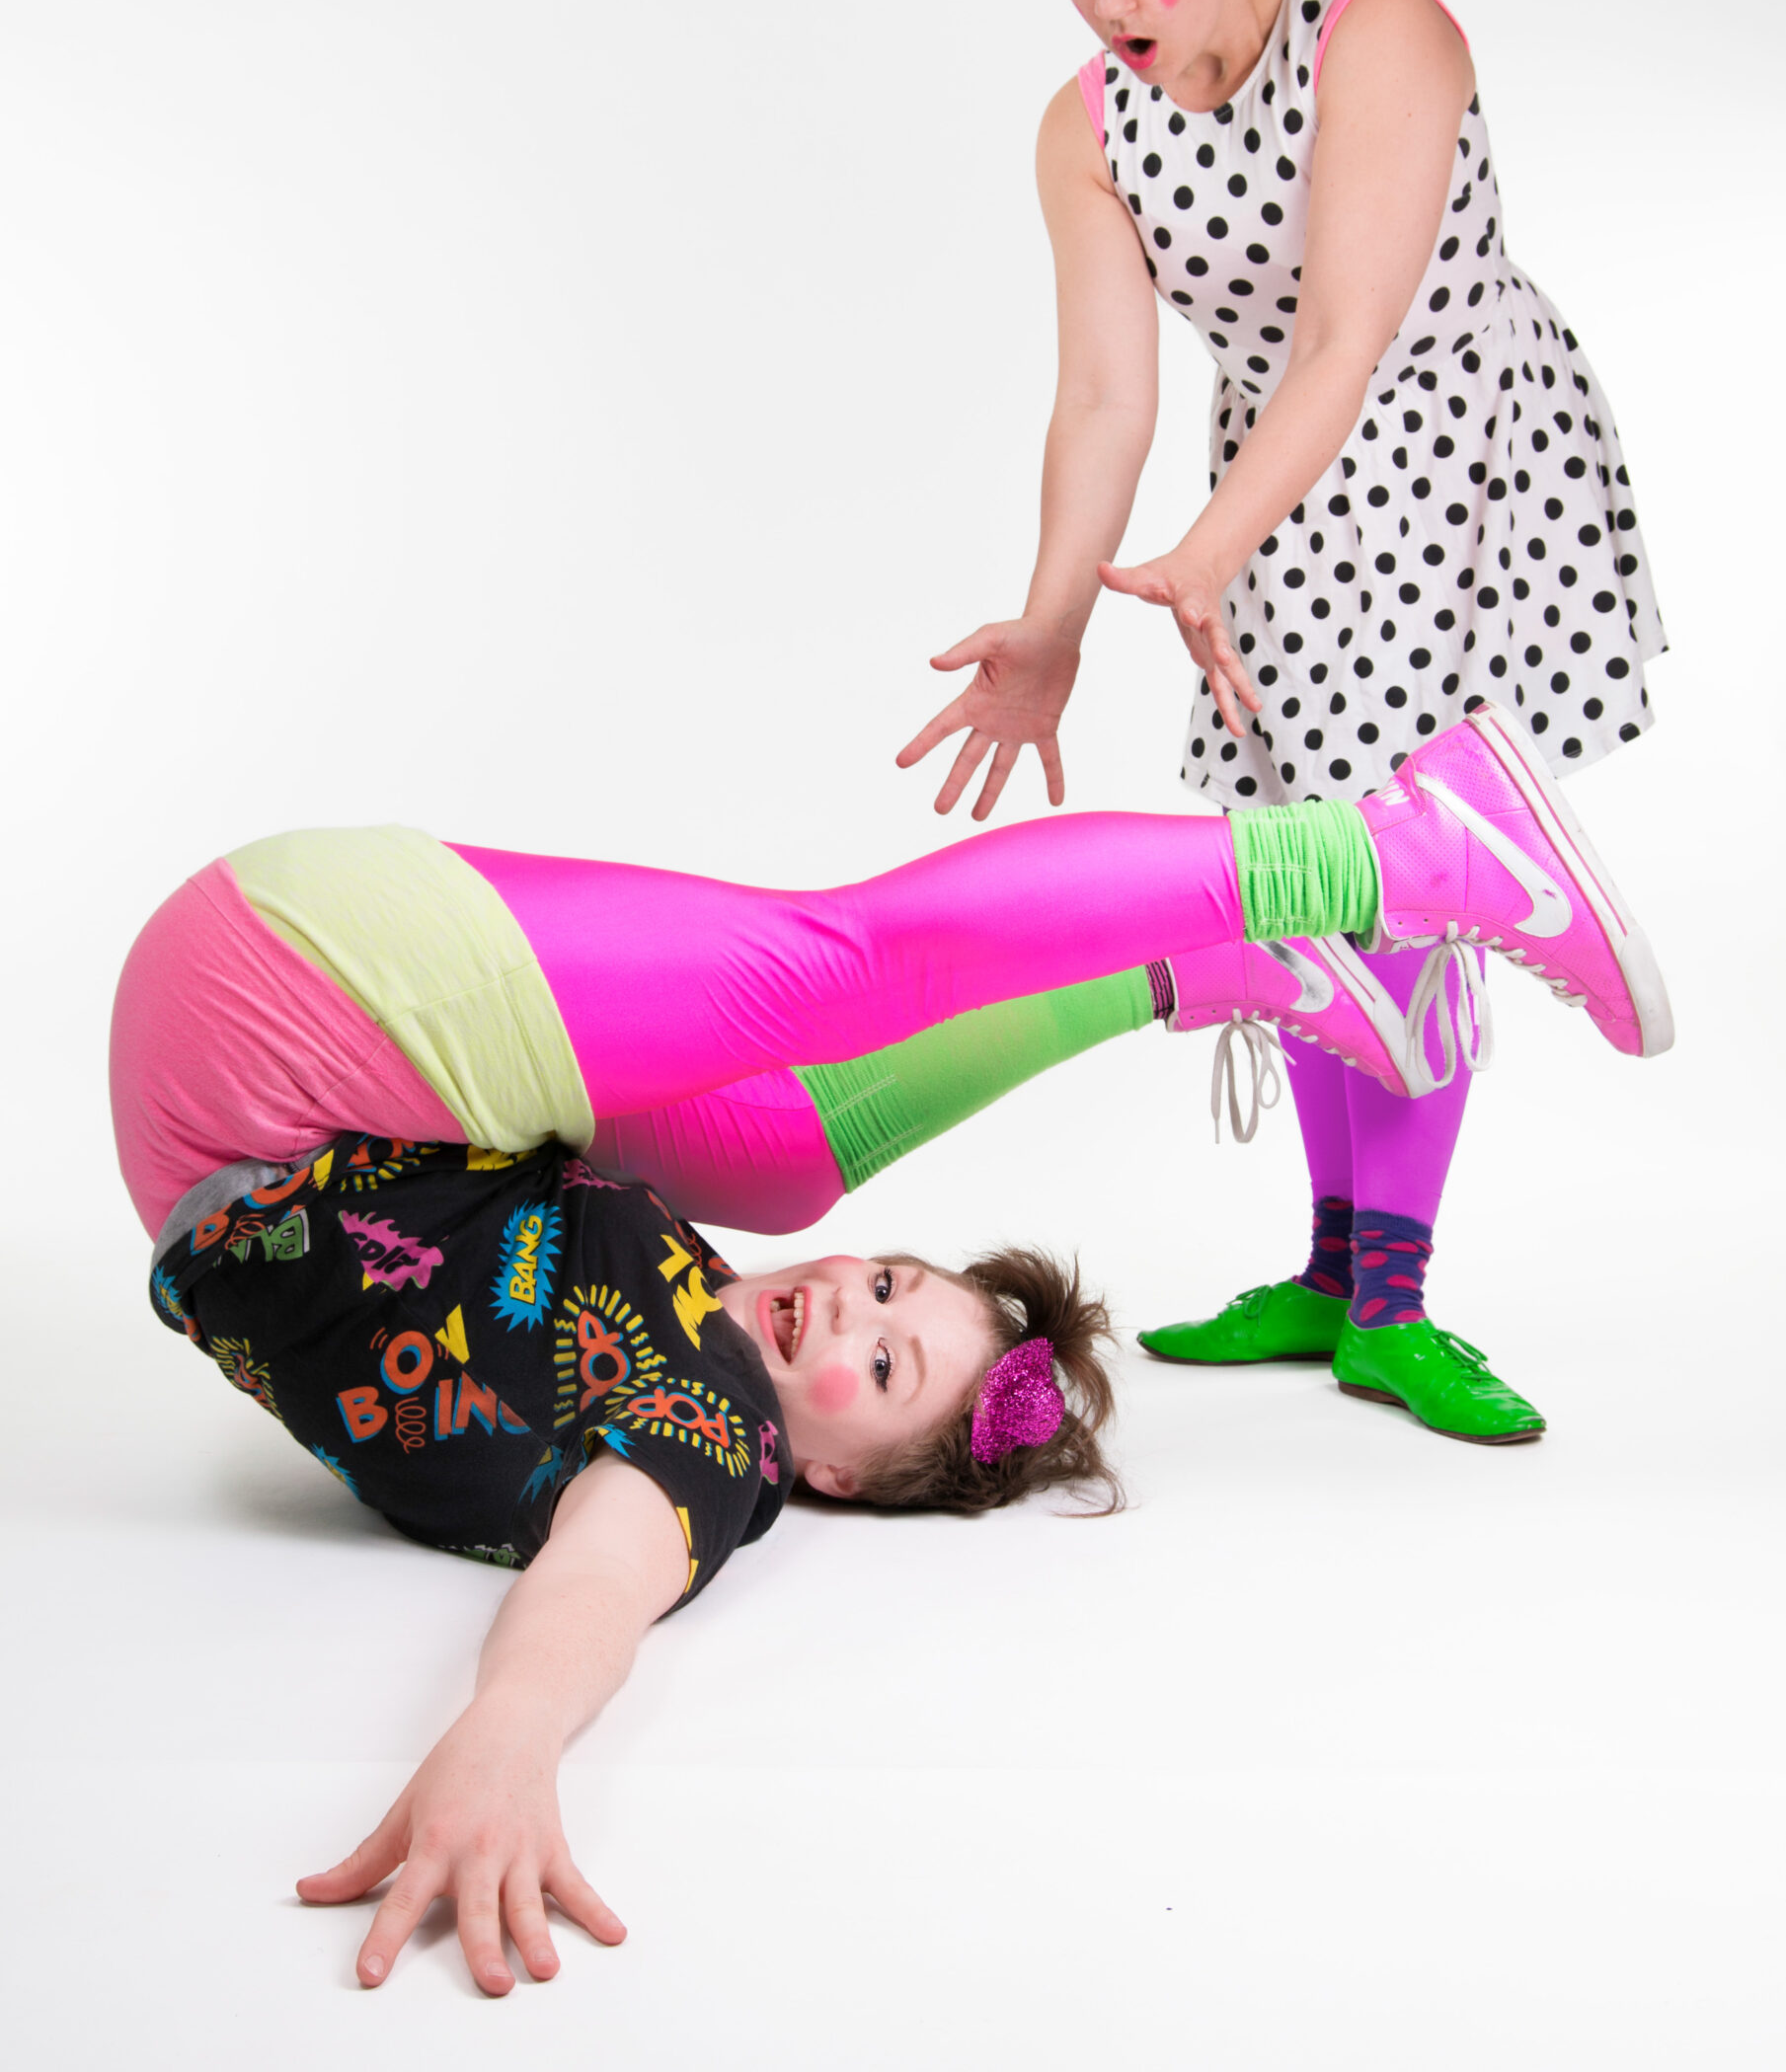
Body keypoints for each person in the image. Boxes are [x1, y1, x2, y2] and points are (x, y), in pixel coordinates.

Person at [117, 703, 1665, 1990]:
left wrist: (509, 1733)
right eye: (886, 1285)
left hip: (268, 1060)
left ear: (834, 1479)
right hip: (304, 1055)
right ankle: (1321, 896)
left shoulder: (707, 1435)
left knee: (817, 1042)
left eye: (880, 1365)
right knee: (812, 1065)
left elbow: (600, 1575)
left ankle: (1318, 906)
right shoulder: (681, 1290)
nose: (847, 1304)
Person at [898, 0, 1667, 1440]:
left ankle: (1395, 1299)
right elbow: (1105, 396)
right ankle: (1329, 1270)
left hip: (1453, 456)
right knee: (1300, 875)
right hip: (1274, 491)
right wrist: (1052, 624)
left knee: (1411, 874)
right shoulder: (1086, 126)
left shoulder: (1380, 28)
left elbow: (1346, 335)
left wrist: (1208, 551)